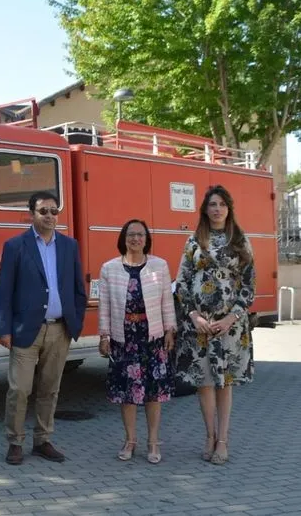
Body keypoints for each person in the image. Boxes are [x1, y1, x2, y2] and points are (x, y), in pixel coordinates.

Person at [0, 190, 87, 465]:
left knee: (50, 389)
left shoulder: (69, 246)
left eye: (53, 211)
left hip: (59, 330)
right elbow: (5, 291)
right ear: (31, 214)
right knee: (19, 389)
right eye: (43, 211)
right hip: (26, 329)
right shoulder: (15, 246)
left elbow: (77, 289)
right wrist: (4, 328)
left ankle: (43, 440)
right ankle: (15, 442)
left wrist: (75, 322)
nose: (49, 216)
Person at [174, 185, 256, 465]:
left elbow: (248, 286)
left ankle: (223, 440)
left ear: (228, 208)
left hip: (229, 326)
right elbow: (182, 283)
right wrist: (194, 316)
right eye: (212, 204)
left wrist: (231, 317)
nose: (217, 208)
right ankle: (208, 436)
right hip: (199, 326)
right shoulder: (194, 241)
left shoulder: (240, 241)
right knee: (205, 382)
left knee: (225, 382)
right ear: (205, 209)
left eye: (221, 203)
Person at [97, 219, 177, 464]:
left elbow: (166, 301)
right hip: (124, 339)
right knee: (127, 394)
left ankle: (153, 442)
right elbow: (105, 306)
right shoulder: (109, 268)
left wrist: (170, 330)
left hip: (152, 337)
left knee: (153, 393)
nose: (135, 239)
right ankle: (130, 440)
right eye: (131, 234)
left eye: (140, 235)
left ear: (146, 238)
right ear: (123, 238)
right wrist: (104, 335)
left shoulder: (159, 266)